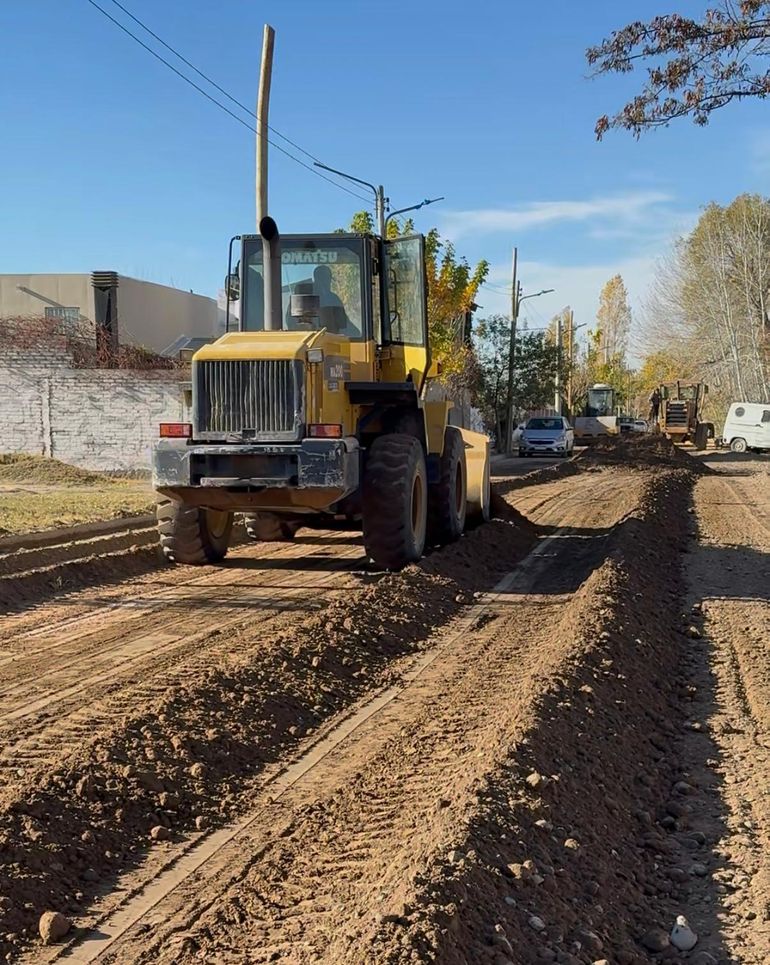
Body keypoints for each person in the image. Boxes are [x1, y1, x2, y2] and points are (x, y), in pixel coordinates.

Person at [313, 265, 349, 333]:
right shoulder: (304, 300)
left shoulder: (334, 299)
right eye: (323, 279)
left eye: (328, 279)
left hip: (333, 337)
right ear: (316, 280)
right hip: (309, 338)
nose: (327, 282)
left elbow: (343, 323)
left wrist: (357, 333)